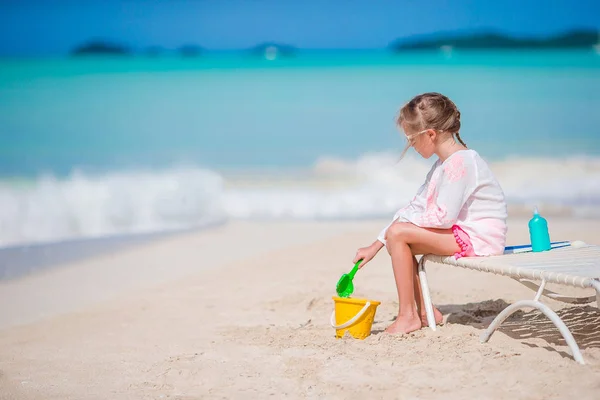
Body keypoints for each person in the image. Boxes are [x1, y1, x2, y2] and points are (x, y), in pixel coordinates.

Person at [353, 92, 508, 334]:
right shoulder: (442, 166)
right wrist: (376, 244)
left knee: (399, 236)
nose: (409, 146)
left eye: (411, 139)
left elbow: (443, 218)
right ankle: (425, 311)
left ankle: (408, 316)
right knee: (399, 242)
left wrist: (399, 231)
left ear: (431, 134)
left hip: (479, 238)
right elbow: (416, 206)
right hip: (461, 233)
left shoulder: (462, 163)